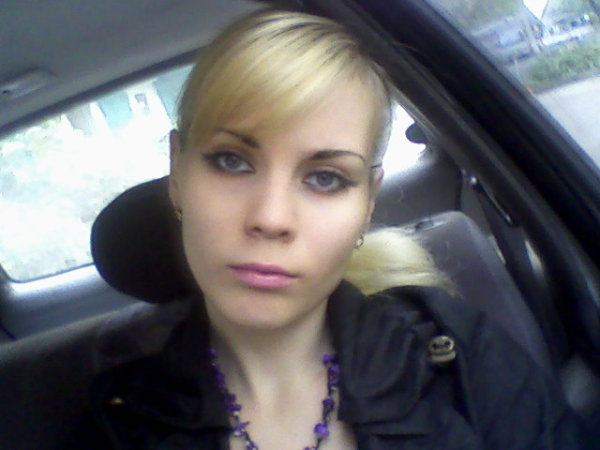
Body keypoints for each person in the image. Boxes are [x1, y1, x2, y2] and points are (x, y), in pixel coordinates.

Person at [69, 9, 586, 450]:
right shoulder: (120, 423)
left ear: (367, 203)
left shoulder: (460, 359)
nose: (271, 218)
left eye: (325, 178)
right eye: (231, 161)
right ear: (178, 173)